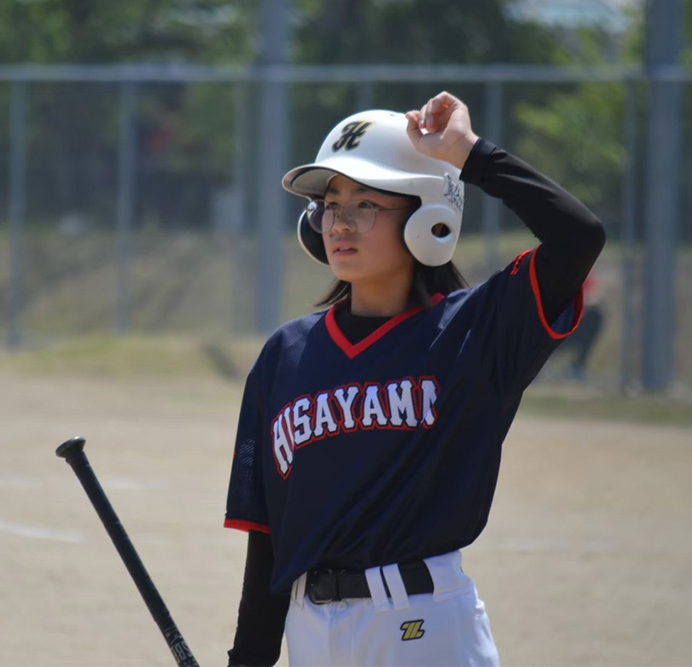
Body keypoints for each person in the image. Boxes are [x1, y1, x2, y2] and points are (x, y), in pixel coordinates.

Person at [223, 92, 605, 666]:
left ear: (430, 214)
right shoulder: (286, 354)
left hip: (423, 629)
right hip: (310, 633)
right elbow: (270, 534)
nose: (340, 222)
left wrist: (468, 155)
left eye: (366, 203)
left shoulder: (478, 331)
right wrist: (247, 660)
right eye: (330, 203)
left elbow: (579, 236)